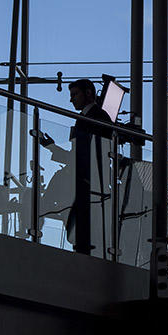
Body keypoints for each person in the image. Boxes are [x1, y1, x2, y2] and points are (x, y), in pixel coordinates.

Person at [40, 79, 112, 254]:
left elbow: (83, 157)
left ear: (88, 93)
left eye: (74, 94)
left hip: (88, 185)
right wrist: (53, 148)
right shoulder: (93, 117)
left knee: (84, 234)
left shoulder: (95, 118)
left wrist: (53, 149)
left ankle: (39, 213)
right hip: (89, 182)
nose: (71, 100)